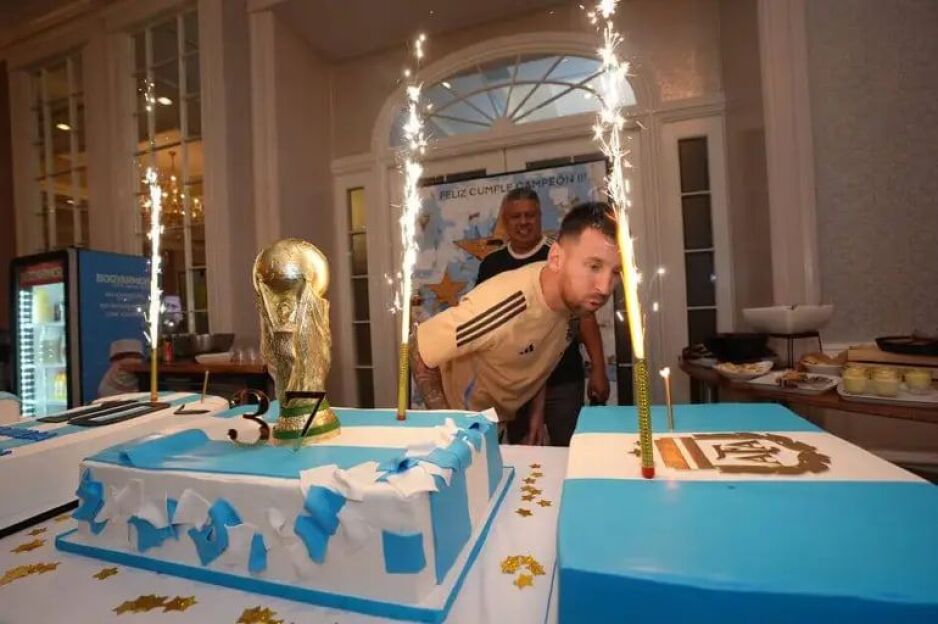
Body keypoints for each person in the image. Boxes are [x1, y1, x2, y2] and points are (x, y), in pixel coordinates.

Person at [411, 202, 620, 445]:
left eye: (616, 271)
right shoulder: (505, 304)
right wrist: (450, 425)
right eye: (594, 266)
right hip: (460, 426)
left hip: (494, 423)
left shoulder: (574, 306)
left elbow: (540, 356)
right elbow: (419, 347)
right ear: (556, 258)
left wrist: (536, 416)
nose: (605, 287)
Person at [477, 188, 609, 446]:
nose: (523, 222)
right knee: (523, 453)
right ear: (505, 221)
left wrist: (599, 369)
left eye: (530, 215)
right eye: (516, 216)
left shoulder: (559, 258)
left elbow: (585, 318)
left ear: (539, 216)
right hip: (515, 384)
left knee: (569, 449)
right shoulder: (491, 265)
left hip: (563, 379)